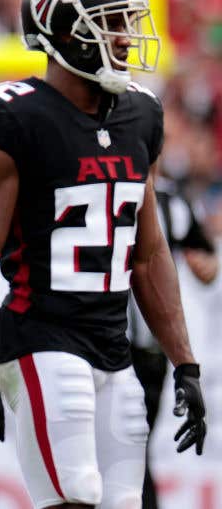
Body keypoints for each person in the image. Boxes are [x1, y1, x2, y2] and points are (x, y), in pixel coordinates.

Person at [0, 0, 208, 509]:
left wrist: (184, 360)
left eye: (125, 22)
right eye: (110, 23)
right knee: (76, 496)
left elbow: (149, 253)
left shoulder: (141, 116)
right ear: (64, 31)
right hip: (38, 337)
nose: (125, 37)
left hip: (114, 348)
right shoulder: (16, 119)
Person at [128, 169, 217, 509]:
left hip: (149, 353)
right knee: (122, 451)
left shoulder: (173, 203)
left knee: (134, 449)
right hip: (102, 347)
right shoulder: (106, 188)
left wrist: (209, 266)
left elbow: (205, 254)